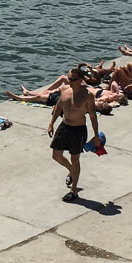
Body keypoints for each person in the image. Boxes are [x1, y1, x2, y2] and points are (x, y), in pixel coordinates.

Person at [48, 68, 102, 202]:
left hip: (78, 130)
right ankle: (72, 171)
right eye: (69, 78)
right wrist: (51, 123)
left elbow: (93, 117)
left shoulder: (87, 95)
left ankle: (74, 191)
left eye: (72, 79)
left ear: (80, 80)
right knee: (56, 155)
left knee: (75, 158)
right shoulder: (65, 90)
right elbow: (59, 107)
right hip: (64, 126)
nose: (69, 81)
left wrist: (96, 136)